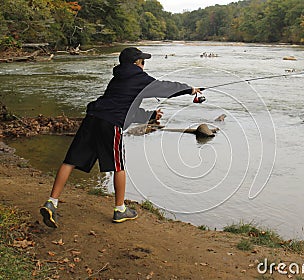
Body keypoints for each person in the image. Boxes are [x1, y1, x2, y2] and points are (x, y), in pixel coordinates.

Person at [40, 47, 201, 228]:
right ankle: (120, 209)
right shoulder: (139, 78)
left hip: (93, 118)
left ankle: (51, 202)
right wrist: (189, 89)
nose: (143, 65)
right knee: (118, 166)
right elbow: (164, 88)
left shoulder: (117, 78)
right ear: (136, 63)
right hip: (110, 124)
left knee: (70, 161)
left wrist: (149, 116)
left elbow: (124, 106)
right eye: (142, 61)